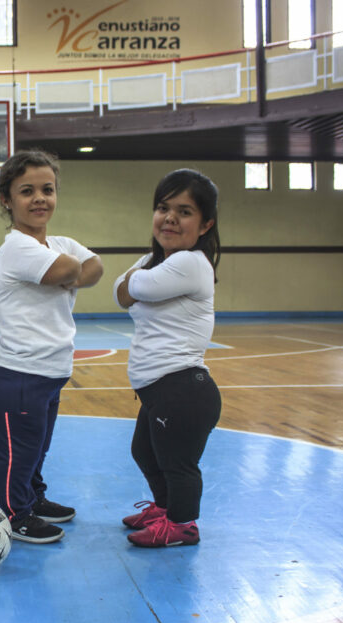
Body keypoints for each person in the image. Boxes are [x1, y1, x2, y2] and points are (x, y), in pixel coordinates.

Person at [0, 149, 103, 544]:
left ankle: (32, 498)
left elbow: (95, 268)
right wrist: (70, 271)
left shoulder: (58, 241)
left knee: (36, 449)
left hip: (48, 370)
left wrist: (70, 271)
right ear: (6, 200)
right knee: (19, 452)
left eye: (47, 190)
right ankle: (16, 515)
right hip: (19, 373)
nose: (39, 199)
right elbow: (71, 268)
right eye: (26, 191)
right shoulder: (16, 247)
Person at [113, 169, 222, 548]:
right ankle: (164, 508)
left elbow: (135, 285)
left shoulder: (190, 262)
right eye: (163, 208)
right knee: (144, 451)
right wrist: (135, 281)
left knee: (177, 463)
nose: (170, 218)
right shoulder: (160, 259)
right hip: (162, 389)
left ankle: (182, 524)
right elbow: (119, 291)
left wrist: (137, 280)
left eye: (185, 211)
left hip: (182, 390)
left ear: (205, 224)